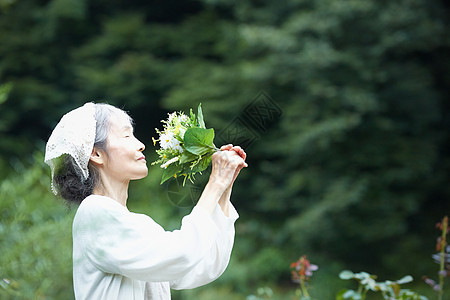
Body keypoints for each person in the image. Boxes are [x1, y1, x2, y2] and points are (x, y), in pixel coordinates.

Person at [44, 102, 247, 300]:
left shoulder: (135, 223)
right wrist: (215, 182)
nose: (141, 145)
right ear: (96, 153)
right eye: (126, 135)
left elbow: (201, 266)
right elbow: (181, 255)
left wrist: (224, 186)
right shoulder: (95, 211)